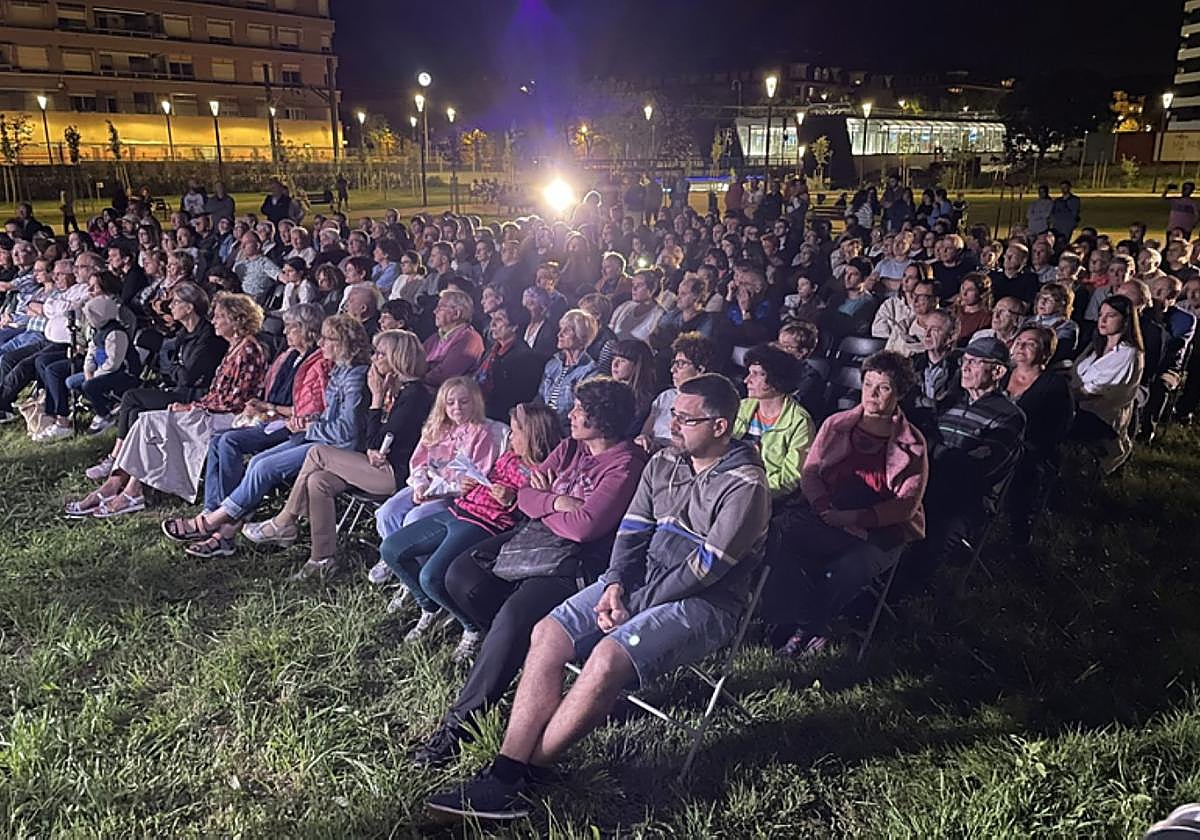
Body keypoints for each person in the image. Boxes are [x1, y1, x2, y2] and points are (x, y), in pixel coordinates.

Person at [425, 373, 770, 820]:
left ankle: (521, 779)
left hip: (705, 603)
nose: (672, 425)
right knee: (547, 632)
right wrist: (613, 585)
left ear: (720, 426)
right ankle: (507, 768)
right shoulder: (665, 462)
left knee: (606, 657)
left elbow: (705, 568)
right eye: (673, 416)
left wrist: (635, 603)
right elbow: (631, 531)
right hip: (635, 585)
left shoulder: (745, 485)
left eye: (685, 419)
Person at [412, 378, 646, 767]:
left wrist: (549, 505)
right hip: (533, 541)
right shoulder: (572, 447)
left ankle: (460, 724)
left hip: (573, 564)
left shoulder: (623, 465)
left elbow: (585, 528)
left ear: (601, 420)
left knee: (513, 617)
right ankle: (512, 656)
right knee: (461, 577)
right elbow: (524, 494)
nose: (569, 416)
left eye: (579, 410)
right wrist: (557, 501)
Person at [160, 313, 369, 557]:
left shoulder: (355, 376)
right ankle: (221, 526)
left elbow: (348, 431)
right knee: (256, 461)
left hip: (334, 448)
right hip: (316, 435)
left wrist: (307, 425)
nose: (321, 344)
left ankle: (212, 523)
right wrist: (310, 420)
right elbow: (330, 416)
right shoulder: (340, 371)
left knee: (263, 466)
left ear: (343, 342)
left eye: (327, 339)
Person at [765, 351, 927, 657]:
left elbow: (906, 504)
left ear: (899, 392)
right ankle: (786, 620)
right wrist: (825, 508)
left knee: (849, 567)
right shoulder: (837, 425)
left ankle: (810, 626)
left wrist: (856, 518)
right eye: (868, 385)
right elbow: (810, 472)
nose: (872, 394)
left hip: (880, 529)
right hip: (830, 513)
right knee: (777, 534)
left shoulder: (911, 443)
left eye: (883, 388)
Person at [378, 403, 562, 660]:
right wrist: (470, 484)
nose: (511, 435)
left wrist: (513, 499)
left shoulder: (543, 471)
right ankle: (430, 608)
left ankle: (472, 628)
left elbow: (535, 514)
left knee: (431, 577)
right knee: (392, 549)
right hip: (460, 509)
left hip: (486, 523)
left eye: (517, 431)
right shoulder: (509, 455)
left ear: (533, 435)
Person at [245, 329, 432, 579]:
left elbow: (376, 441)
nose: (374, 358)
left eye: (380, 354)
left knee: (317, 452)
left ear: (397, 357)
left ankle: (285, 521)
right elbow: (370, 436)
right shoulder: (394, 388)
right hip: (373, 464)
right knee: (318, 481)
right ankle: (322, 559)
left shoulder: (415, 395)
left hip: (395, 473)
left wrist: (376, 398)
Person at [66, 292, 267, 517]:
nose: (214, 321)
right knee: (145, 420)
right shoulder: (235, 347)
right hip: (213, 409)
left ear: (236, 320)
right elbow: (216, 393)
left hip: (229, 418)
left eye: (220, 317)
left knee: (155, 421)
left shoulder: (247, 350)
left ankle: (131, 490)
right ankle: (118, 484)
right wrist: (195, 405)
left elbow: (233, 401)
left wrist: (192, 406)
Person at [905, 336, 1026, 585]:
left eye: (974, 362)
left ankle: (892, 602)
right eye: (964, 360)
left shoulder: (1009, 416)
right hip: (926, 481)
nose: (965, 367)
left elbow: (977, 469)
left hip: (964, 500)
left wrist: (932, 449)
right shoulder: (950, 401)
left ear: (998, 371)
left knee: (933, 533)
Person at [372, 376, 503, 543]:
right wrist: (421, 485)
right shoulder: (437, 428)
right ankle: (393, 558)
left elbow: (472, 478)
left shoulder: (482, 433)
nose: (457, 407)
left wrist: (434, 492)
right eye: (450, 403)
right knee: (387, 512)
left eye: (464, 402)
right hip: (427, 485)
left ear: (475, 402)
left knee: (414, 518)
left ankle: (413, 561)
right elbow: (418, 463)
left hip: (453, 495)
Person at [1004, 326, 1075, 545]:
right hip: (991, 442)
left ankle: (1018, 537)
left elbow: (1054, 431)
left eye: (1031, 343)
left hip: (1027, 450)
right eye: (1019, 341)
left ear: (1045, 353)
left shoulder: (1054, 386)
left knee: (1024, 470)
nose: (1021, 346)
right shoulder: (1001, 374)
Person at [1069, 295, 1144, 474]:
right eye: (1101, 314)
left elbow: (1096, 390)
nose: (1102, 320)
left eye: (1110, 316)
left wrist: (1060, 395)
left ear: (1125, 321)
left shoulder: (1128, 354)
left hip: (1099, 417)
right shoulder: (1095, 348)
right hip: (1076, 406)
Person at [733, 343, 814, 499]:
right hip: (732, 485)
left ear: (776, 379)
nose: (746, 380)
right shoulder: (742, 407)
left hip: (766, 496)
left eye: (756, 374)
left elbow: (790, 479)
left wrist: (751, 491)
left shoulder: (799, 422)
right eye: (749, 373)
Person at [636, 331, 717, 453]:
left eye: (680, 364)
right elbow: (645, 433)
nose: (672, 370)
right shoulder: (665, 396)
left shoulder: (708, 402)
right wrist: (642, 439)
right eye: (674, 363)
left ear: (700, 369)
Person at [1140, 274, 1197, 442]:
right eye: (1154, 290)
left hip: (1168, 367)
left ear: (1173, 296)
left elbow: (1172, 345)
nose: (1156, 295)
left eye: (1161, 291)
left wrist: (1159, 319)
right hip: (1144, 362)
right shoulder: (1145, 314)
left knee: (1159, 384)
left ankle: (1148, 426)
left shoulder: (1185, 319)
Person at [475, 306, 545, 421]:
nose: (492, 324)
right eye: (493, 319)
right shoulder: (491, 351)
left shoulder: (525, 358)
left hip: (500, 416)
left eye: (499, 319)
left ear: (514, 327)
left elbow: (512, 398)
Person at [537, 308, 598, 434]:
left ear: (581, 336)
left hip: (565, 431)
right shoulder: (552, 364)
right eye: (561, 329)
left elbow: (580, 411)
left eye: (567, 330)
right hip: (544, 427)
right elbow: (540, 397)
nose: (559, 334)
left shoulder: (590, 372)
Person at [423, 289, 484, 389]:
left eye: (440, 307)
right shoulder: (434, 338)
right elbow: (416, 362)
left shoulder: (470, 339)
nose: (435, 312)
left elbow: (445, 374)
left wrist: (418, 378)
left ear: (457, 313)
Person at [609, 339, 657, 433]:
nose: (615, 364)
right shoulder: (607, 392)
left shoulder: (645, 402)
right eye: (614, 359)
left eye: (622, 360)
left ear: (637, 365)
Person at [1026, 283, 1080, 363]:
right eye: (1041, 297)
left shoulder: (1068, 326)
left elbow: (1059, 352)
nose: (1043, 302)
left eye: (1050, 300)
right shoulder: (1029, 321)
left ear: (1061, 304)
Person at [610, 268, 666, 342]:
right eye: (633, 284)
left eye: (640, 285)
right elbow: (610, 329)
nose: (634, 288)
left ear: (652, 288)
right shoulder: (625, 306)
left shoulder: (660, 314)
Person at [953, 272, 993, 345]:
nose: (964, 293)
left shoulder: (986, 318)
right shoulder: (954, 310)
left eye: (970, 290)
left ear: (981, 293)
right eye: (963, 288)